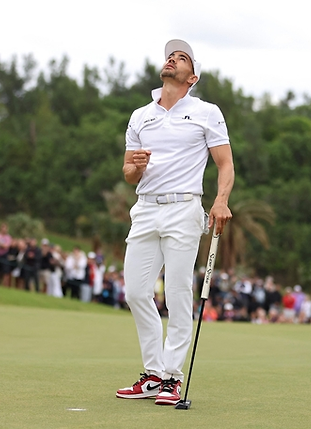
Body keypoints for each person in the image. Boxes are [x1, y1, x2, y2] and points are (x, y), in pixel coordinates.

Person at [115, 39, 234, 406]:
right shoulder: (140, 116)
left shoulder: (206, 111)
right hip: (146, 208)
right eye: (170, 55)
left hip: (184, 208)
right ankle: (153, 373)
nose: (172, 59)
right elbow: (128, 174)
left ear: (191, 77)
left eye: (181, 57)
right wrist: (134, 166)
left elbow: (225, 164)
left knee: (179, 293)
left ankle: (172, 377)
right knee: (135, 291)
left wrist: (221, 201)